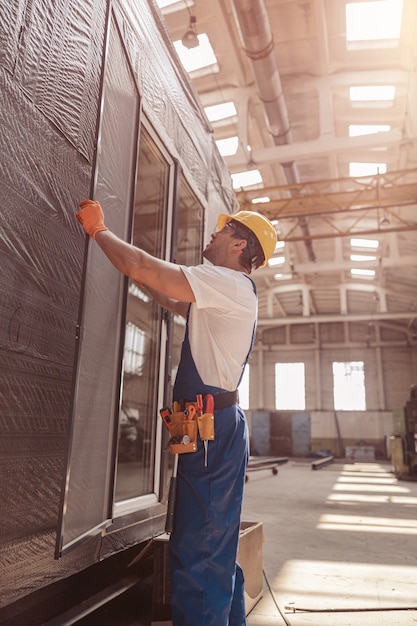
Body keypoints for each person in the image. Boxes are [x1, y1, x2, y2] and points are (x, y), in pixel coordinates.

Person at [75, 199, 277, 626]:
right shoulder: (227, 293)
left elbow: (146, 268)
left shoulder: (227, 282)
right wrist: (138, 275)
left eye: (223, 231)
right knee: (214, 544)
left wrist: (99, 232)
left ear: (239, 243)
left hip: (211, 431)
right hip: (214, 427)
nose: (213, 234)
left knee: (199, 550)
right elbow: (170, 297)